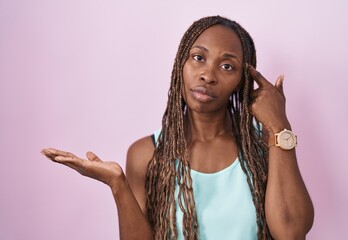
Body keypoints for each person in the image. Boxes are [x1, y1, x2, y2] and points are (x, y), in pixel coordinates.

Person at [42, 16, 314, 240]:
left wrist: (279, 126)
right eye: (198, 58)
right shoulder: (146, 153)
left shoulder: (266, 146)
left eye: (227, 66)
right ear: (180, 64)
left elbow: (291, 233)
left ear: (243, 81)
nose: (208, 75)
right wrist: (117, 184)